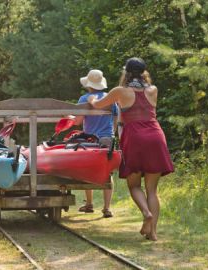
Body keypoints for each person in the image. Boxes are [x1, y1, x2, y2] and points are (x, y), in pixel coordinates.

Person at [88, 57, 174, 241]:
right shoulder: (153, 90)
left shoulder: (120, 91)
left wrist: (93, 98)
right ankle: (153, 233)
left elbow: (97, 105)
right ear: (144, 72)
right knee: (152, 190)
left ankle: (146, 213)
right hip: (156, 136)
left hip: (134, 138)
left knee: (134, 185)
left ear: (126, 72)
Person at [72, 69, 118, 218]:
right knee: (107, 172)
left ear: (89, 85)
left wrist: (69, 117)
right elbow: (116, 120)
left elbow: (77, 121)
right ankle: (107, 208)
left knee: (87, 170)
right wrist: (111, 134)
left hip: (89, 140)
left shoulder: (84, 99)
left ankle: (89, 204)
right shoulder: (110, 99)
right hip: (107, 139)